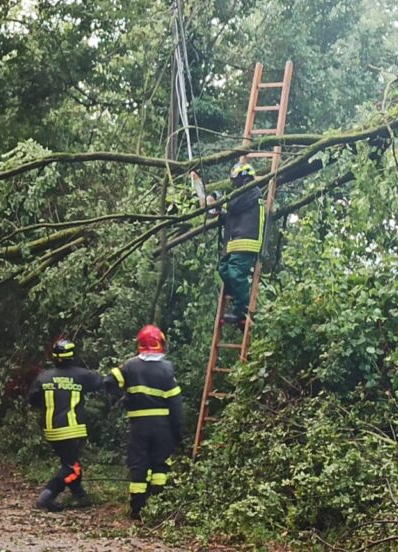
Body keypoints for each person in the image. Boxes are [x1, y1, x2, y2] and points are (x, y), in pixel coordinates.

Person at [105, 325, 183, 520]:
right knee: (160, 466)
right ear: (160, 344)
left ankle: (137, 509)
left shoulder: (129, 366)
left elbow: (108, 381)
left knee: (139, 464)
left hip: (138, 425)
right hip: (162, 426)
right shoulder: (166, 369)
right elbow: (175, 403)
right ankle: (157, 504)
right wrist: (178, 430)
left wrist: (124, 396)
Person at [27, 338, 105, 512]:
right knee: (72, 468)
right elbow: (102, 382)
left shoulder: (43, 377)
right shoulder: (82, 375)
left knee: (69, 461)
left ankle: (80, 495)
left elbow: (32, 400)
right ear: (73, 356)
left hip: (51, 431)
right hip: (72, 429)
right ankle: (47, 496)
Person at [196, 161, 264, 327]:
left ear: (243, 177)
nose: (234, 184)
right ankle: (239, 297)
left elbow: (233, 205)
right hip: (236, 243)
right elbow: (232, 214)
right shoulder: (244, 197)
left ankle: (242, 311)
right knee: (224, 271)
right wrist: (216, 211)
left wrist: (216, 199)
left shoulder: (251, 190)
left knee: (235, 274)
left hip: (247, 242)